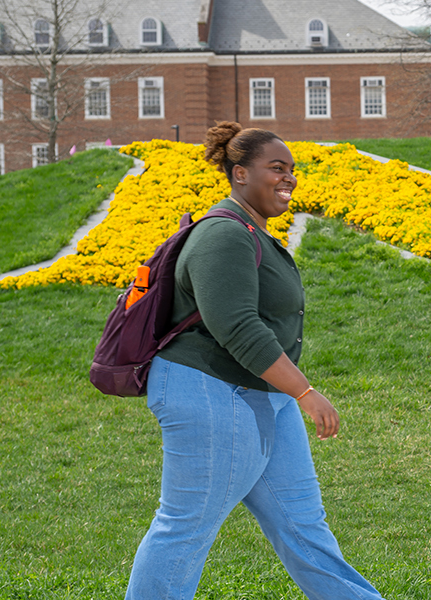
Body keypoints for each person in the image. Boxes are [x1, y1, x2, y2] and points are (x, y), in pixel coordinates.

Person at [125, 122, 384, 600]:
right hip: (208, 390)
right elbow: (237, 327)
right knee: (186, 527)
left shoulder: (252, 232)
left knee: (303, 527)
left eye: (292, 170)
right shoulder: (223, 235)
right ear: (239, 173)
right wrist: (304, 392)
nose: (289, 178)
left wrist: (290, 394)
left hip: (260, 394)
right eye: (276, 168)